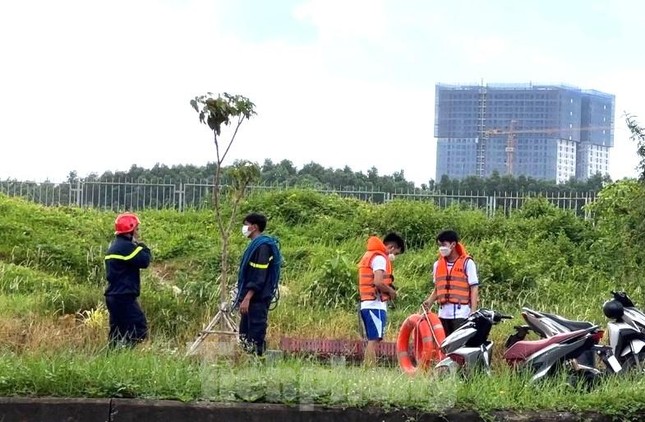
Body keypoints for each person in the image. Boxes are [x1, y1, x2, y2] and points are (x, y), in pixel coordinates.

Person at [232, 212, 282, 357]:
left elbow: (259, 276)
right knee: (244, 334)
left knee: (255, 333)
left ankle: (257, 362)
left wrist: (247, 298)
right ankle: (247, 361)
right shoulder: (255, 246)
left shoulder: (262, 247)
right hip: (249, 299)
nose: (244, 228)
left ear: (254, 227)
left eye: (246, 225)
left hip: (257, 299)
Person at [104, 212, 152, 348]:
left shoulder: (114, 247)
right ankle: (127, 353)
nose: (138, 233)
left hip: (113, 296)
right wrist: (142, 246)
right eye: (136, 229)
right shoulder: (127, 247)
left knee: (117, 331)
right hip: (123, 297)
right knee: (138, 327)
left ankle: (113, 357)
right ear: (130, 231)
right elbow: (145, 261)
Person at [358, 232, 406, 367]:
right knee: (374, 340)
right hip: (374, 304)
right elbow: (378, 282)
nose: (394, 257)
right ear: (391, 247)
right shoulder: (379, 258)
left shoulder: (369, 255)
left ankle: (368, 368)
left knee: (372, 339)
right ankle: (370, 370)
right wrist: (391, 292)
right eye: (396, 253)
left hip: (367, 303)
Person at [423, 230, 479, 336]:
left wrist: (473, 311)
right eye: (439, 245)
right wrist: (428, 303)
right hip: (443, 313)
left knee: (459, 346)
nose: (441, 248)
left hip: (461, 313)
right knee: (444, 346)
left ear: (453, 244)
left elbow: (474, 288)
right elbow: (437, 289)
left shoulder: (467, 263)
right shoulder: (437, 265)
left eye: (444, 245)